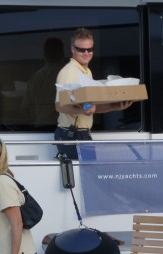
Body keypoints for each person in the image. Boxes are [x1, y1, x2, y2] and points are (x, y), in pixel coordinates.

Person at [54, 27, 133, 159]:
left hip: (80, 134)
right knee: (84, 176)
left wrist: (115, 107)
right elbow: (59, 105)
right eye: (81, 49)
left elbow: (90, 106)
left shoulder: (86, 71)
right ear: (73, 49)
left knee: (88, 175)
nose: (86, 53)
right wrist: (83, 110)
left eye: (90, 49)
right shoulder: (69, 72)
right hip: (72, 134)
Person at [21, 37, 66, 130]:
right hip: (63, 128)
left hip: (40, 128)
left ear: (45, 55)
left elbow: (25, 109)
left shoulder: (35, 77)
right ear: (62, 54)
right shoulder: (67, 75)